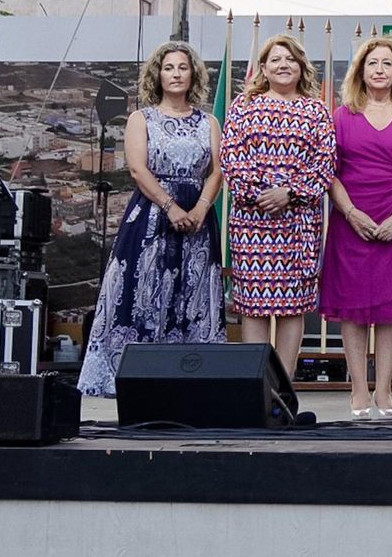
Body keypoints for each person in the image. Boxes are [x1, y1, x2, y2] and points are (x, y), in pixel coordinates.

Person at [78, 42, 224, 397]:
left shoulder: (209, 121)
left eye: (183, 67)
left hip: (199, 220)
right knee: (139, 294)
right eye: (169, 67)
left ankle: (193, 382)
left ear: (193, 75)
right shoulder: (141, 118)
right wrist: (170, 206)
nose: (176, 74)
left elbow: (218, 170)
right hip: (150, 217)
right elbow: (137, 169)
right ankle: (132, 379)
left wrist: (202, 208)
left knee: (194, 297)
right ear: (157, 75)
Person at [321, 36, 392, 420]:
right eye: (373, 63)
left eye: (387, 63)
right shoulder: (341, 115)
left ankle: (384, 391)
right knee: (353, 309)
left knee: (391, 308)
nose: (380, 70)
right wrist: (351, 213)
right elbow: (329, 172)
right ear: (361, 70)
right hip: (351, 219)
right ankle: (358, 389)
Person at [220, 34, 336, 379]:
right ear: (264, 69)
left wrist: (290, 192)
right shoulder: (243, 106)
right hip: (252, 220)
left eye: (290, 59)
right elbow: (232, 157)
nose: (283, 65)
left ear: (301, 67)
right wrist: (263, 194)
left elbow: (325, 163)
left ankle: (284, 387)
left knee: (292, 308)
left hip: (298, 221)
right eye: (275, 60)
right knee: (253, 307)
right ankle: (257, 384)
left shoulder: (316, 110)